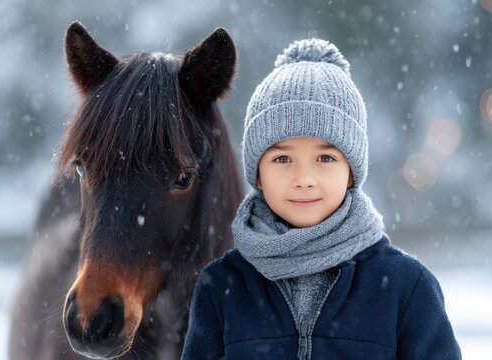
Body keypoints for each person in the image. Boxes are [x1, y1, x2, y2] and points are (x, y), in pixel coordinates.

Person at [181, 38, 461, 359]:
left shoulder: (407, 287)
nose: (303, 180)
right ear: (257, 173)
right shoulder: (221, 287)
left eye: (325, 159)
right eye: (282, 159)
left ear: (352, 172)